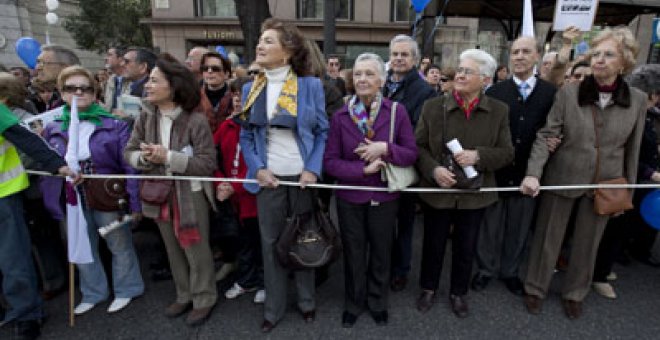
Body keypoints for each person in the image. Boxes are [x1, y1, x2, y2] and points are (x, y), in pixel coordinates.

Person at [520, 27, 647, 320]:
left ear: (624, 62)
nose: (600, 60)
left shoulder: (637, 100)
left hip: (606, 182)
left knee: (589, 243)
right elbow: (546, 135)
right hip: (563, 175)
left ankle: (575, 293)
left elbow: (634, 146)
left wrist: (625, 189)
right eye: (596, 54)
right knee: (547, 237)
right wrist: (534, 174)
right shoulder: (569, 92)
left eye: (609, 54)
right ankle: (535, 288)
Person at [238, 18, 328, 333]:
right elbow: (246, 137)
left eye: (268, 41)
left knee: (304, 240)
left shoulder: (311, 86)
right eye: (260, 41)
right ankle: (273, 309)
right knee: (271, 243)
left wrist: (312, 168)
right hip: (269, 179)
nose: (260, 46)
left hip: (302, 178)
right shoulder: (251, 87)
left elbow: (321, 132)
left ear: (287, 51)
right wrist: (258, 169)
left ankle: (307, 302)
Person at [415, 49, 514, 318]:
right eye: (459, 69)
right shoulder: (433, 107)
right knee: (433, 243)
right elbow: (418, 146)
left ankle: (459, 293)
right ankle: (428, 288)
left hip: (475, 194)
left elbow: (507, 153)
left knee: (466, 246)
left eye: (467, 71)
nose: (459, 74)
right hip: (438, 191)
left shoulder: (499, 111)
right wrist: (433, 169)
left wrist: (479, 156)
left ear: (485, 79)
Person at [40, 66, 144, 315]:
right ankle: (93, 292)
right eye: (71, 88)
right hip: (70, 193)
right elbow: (45, 163)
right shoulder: (52, 127)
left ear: (94, 91)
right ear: (61, 92)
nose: (79, 92)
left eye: (85, 88)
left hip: (107, 191)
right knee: (80, 244)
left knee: (118, 243)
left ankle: (127, 288)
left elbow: (129, 166)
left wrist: (135, 201)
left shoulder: (115, 125)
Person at [324, 52, 417, 328]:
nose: (362, 79)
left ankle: (377, 301)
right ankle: (354, 302)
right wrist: (359, 171)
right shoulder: (341, 115)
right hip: (350, 197)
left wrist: (385, 149)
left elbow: (411, 153)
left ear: (381, 80)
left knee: (380, 251)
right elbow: (330, 163)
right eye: (358, 74)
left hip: (385, 195)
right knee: (353, 252)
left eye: (369, 74)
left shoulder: (396, 112)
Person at [124, 54, 218, 326]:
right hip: (158, 192)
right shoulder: (145, 116)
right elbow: (128, 152)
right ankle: (184, 294)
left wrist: (167, 157)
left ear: (173, 86)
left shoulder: (196, 120)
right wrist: (144, 159)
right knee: (172, 247)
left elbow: (207, 163)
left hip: (192, 193)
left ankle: (204, 298)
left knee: (195, 248)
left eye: (154, 80)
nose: (147, 86)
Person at [472, 36, 557, 296]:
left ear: (537, 56)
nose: (519, 56)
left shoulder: (551, 93)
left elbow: (555, 127)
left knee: (519, 228)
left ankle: (510, 271)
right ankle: (485, 269)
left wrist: (557, 140)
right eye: (515, 51)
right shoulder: (496, 92)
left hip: (528, 173)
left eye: (525, 51)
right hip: (497, 172)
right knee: (489, 226)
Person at [0, 102, 77, 339]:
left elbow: (23, 137)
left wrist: (57, 165)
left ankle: (27, 315)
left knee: (13, 260)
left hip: (3, 196)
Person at [590, 64, 660, 299]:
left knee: (617, 229)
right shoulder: (630, 112)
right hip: (619, 178)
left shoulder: (649, 114)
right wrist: (650, 173)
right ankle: (598, 274)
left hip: (632, 180)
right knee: (611, 228)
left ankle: (603, 269)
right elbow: (624, 150)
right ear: (651, 94)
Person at [382, 34, 436, 292]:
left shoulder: (424, 91)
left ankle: (400, 269)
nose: (399, 59)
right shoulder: (382, 83)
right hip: (377, 162)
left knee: (404, 222)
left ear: (415, 60)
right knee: (380, 220)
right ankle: (382, 263)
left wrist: (388, 147)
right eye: (395, 54)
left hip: (403, 163)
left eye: (404, 55)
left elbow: (418, 131)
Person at [215, 77, 265, 304]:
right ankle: (247, 280)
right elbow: (213, 161)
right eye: (235, 94)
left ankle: (264, 282)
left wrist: (233, 187)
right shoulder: (225, 126)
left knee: (262, 244)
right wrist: (220, 183)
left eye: (243, 95)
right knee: (243, 243)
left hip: (255, 198)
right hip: (233, 200)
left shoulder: (262, 129)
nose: (238, 99)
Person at [197, 51, 233, 134]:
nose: (209, 71)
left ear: (226, 74)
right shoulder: (193, 97)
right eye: (205, 68)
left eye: (215, 69)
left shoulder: (237, 96)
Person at [35, 45, 80, 110]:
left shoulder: (80, 97)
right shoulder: (56, 96)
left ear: (65, 67)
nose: (37, 67)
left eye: (43, 63)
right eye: (38, 62)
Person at [102, 47, 130, 112]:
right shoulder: (110, 80)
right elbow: (108, 107)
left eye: (109, 55)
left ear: (120, 59)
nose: (106, 59)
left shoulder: (132, 79)